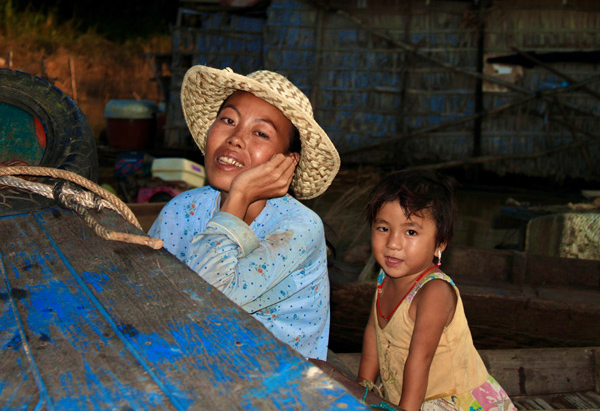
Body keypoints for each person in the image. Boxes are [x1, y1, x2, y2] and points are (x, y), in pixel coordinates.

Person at [149, 66, 340, 361]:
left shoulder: (299, 227)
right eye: (228, 120)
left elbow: (209, 301)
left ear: (287, 163)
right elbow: (149, 289)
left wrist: (239, 196)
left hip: (276, 384)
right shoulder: (182, 209)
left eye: (260, 133)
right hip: (194, 358)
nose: (236, 138)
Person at [357, 169, 515, 411]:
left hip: (453, 404)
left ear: (439, 243)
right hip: (408, 396)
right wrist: (363, 387)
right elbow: (373, 331)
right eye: (383, 228)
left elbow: (420, 359)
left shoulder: (434, 292)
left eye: (411, 232)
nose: (393, 243)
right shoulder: (383, 278)